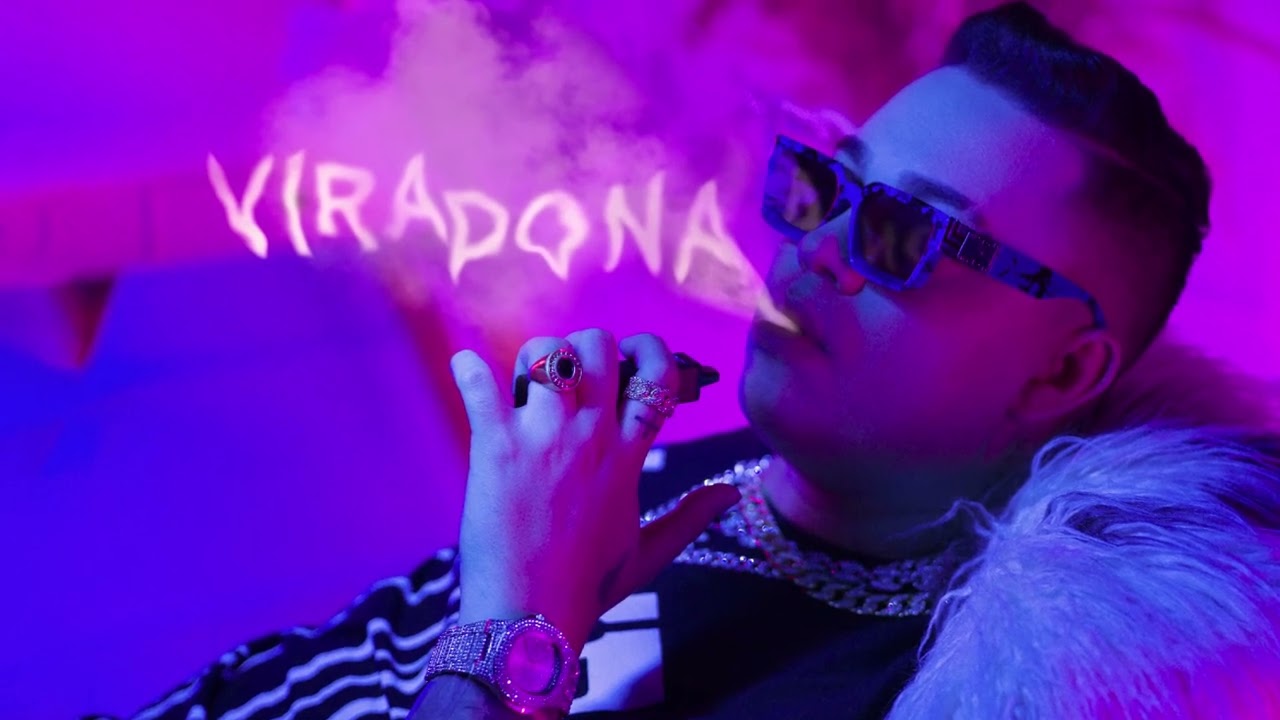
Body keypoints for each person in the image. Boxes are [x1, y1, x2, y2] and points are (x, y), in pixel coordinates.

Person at [103, 3, 1280, 719]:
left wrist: (515, 627)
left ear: (1058, 375)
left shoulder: (974, 683)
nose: (815, 247)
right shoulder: (640, 488)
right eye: (824, 184)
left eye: (902, 233)